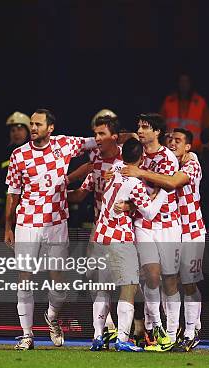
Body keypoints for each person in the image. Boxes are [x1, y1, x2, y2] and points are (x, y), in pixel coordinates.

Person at [4, 108, 98, 350]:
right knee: (24, 278)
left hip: (57, 221)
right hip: (27, 221)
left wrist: (127, 136)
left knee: (59, 283)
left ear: (50, 128)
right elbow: (13, 193)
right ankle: (26, 335)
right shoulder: (19, 155)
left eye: (37, 124)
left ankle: (52, 317)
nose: (33, 128)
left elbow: (98, 141)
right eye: (31, 124)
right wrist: (8, 225)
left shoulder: (64, 144)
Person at [121, 128, 204, 352]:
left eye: (178, 141)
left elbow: (172, 183)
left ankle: (190, 331)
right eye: (171, 140)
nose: (173, 144)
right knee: (165, 279)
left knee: (188, 282)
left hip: (192, 230)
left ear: (188, 147)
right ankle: (162, 330)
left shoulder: (191, 165)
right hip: (174, 229)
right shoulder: (165, 163)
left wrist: (139, 172)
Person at [94, 138, 166, 352]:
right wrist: (164, 190)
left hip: (100, 234)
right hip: (119, 237)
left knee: (103, 288)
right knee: (129, 287)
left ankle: (98, 337)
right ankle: (123, 339)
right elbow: (150, 213)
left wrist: (130, 205)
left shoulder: (113, 168)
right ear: (142, 157)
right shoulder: (134, 182)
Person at [67, 115, 122, 350]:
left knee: (132, 283)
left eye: (101, 134)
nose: (96, 139)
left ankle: (140, 330)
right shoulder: (97, 161)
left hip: (126, 231)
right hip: (100, 228)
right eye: (95, 134)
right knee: (96, 278)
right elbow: (80, 194)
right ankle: (104, 330)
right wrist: (54, 191)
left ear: (114, 137)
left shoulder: (128, 159)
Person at [134, 113, 181, 351]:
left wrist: (142, 176)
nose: (140, 131)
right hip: (143, 223)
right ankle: (156, 329)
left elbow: (166, 183)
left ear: (157, 132)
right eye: (139, 127)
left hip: (168, 223)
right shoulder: (136, 154)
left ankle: (172, 334)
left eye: (145, 127)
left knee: (170, 279)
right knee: (151, 276)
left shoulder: (168, 157)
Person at [0, 112, 30, 226]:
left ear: (28, 131)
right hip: (8, 212)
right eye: (13, 130)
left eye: (20, 129)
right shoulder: (3, 156)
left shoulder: (37, 153)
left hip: (32, 211)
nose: (16, 133)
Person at [160, 72, 209, 151]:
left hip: (194, 149)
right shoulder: (169, 101)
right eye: (181, 81)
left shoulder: (200, 102)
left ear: (191, 83)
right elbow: (160, 126)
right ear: (177, 83)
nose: (183, 84)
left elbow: (208, 127)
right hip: (171, 149)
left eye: (186, 81)